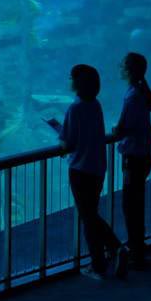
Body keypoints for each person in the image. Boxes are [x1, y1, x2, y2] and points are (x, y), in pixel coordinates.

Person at [50, 64, 128, 280]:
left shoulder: (75, 108)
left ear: (77, 82)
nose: (69, 80)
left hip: (80, 169)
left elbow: (68, 144)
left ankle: (101, 262)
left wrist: (59, 136)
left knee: (88, 217)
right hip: (97, 167)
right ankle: (112, 252)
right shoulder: (95, 104)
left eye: (71, 77)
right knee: (90, 214)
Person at [113, 52, 151, 269]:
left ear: (128, 70)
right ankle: (137, 245)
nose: (119, 67)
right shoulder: (140, 92)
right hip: (143, 155)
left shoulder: (132, 96)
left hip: (134, 157)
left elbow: (123, 128)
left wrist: (115, 131)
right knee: (135, 203)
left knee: (130, 205)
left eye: (122, 64)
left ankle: (135, 251)